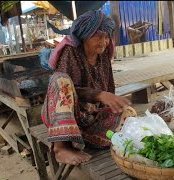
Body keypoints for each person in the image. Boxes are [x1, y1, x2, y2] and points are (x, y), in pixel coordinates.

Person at [41, 10, 137, 166]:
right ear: (84, 36)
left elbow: (108, 86)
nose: (104, 42)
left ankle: (86, 137)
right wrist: (100, 95)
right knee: (61, 80)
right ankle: (61, 147)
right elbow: (66, 91)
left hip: (89, 116)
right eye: (98, 36)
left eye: (106, 37)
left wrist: (111, 105)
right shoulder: (70, 52)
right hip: (64, 114)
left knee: (129, 115)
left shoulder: (103, 54)